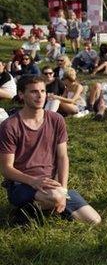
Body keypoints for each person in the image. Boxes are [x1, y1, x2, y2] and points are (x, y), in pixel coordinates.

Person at [0, 75, 101, 224]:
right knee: (54, 197)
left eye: (43, 91)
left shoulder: (56, 119)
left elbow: (62, 157)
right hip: (21, 184)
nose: (40, 96)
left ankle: (36, 211)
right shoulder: (10, 126)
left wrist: (64, 189)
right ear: (21, 95)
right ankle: (33, 209)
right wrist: (33, 181)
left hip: (52, 184)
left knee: (94, 220)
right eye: (34, 91)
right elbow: (6, 169)